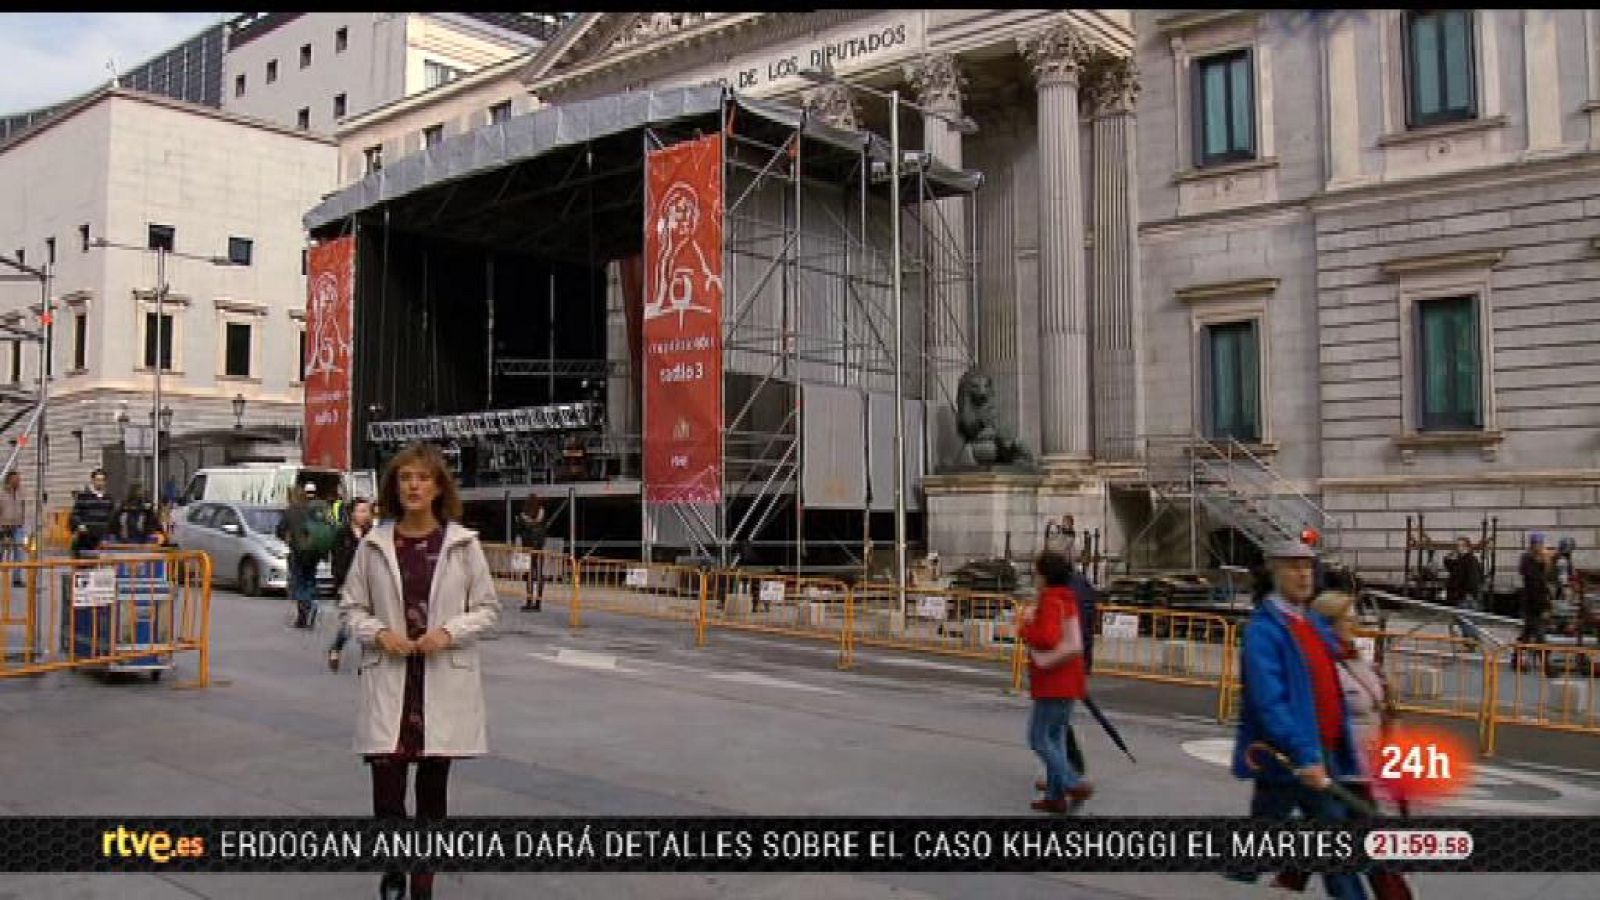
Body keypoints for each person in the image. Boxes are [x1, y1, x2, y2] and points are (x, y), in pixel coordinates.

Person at [340, 442, 499, 900]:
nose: (414, 485)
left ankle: (422, 886)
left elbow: (488, 610)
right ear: (394, 485)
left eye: (423, 478)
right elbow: (351, 607)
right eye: (405, 477)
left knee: (432, 795)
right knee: (387, 792)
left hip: (440, 681)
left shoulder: (463, 546)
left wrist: (449, 632)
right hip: (391, 677)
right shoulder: (373, 545)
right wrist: (377, 633)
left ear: (438, 487)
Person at [1227, 540, 1365, 900]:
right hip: (1295, 754)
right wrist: (1305, 755)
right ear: (1274, 572)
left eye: (1308, 567)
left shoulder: (1310, 622)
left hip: (1320, 750)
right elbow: (1270, 702)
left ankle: (1232, 881)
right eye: (1293, 566)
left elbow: (1330, 669)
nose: (1304, 574)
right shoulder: (1264, 630)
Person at [1018, 551, 1092, 815]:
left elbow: (1047, 638)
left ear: (1044, 575)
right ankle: (1055, 795)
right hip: (1070, 678)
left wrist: (1025, 627)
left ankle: (1071, 781)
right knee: (1057, 737)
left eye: (1036, 572)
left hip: (1053, 680)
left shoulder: (1050, 600)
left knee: (1038, 737)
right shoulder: (1067, 598)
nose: (1034, 577)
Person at [326, 498, 375, 672]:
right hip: (347, 584)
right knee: (347, 625)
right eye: (360, 511)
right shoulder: (342, 534)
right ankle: (336, 648)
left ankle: (365, 662)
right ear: (352, 513)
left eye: (366, 511)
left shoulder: (372, 534)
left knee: (367, 624)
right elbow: (337, 560)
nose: (363, 515)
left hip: (368, 584)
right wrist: (339, 583)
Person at [276, 483, 330, 629]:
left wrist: (288, 539)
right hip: (314, 552)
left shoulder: (290, 511)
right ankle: (310, 605)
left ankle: (305, 611)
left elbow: (280, 530)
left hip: (298, 550)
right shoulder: (312, 509)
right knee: (310, 579)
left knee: (299, 582)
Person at [69, 469, 116, 558]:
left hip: (102, 538)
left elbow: (111, 517)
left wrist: (108, 534)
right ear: (93, 481)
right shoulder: (83, 497)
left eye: (102, 480)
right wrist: (80, 525)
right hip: (85, 538)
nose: (100, 482)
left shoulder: (108, 499)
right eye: (98, 480)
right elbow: (75, 514)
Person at [1519, 533, 1553, 646]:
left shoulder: (1542, 562)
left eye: (1540, 544)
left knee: (1528, 634)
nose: (1539, 547)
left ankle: (1517, 659)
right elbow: (1535, 586)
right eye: (1536, 544)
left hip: (1536, 603)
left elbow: (1545, 585)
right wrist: (1544, 607)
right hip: (1533, 605)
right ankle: (1544, 662)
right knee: (1538, 635)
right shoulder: (1528, 561)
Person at [516, 495, 548, 611]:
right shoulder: (541, 513)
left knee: (529, 575)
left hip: (527, 548)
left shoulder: (523, 516)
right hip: (539, 548)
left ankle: (529, 602)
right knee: (539, 575)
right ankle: (538, 603)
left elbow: (519, 531)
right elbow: (542, 527)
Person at [1443, 537, 1484, 611]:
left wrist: (1469, 593)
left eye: (1461, 545)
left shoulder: (1470, 560)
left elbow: (1474, 578)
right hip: (1461, 596)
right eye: (1458, 545)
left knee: (1467, 618)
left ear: (1467, 547)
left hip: (1466, 597)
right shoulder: (1460, 560)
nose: (1459, 548)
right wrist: (1448, 557)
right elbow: (1450, 567)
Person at [0, 471, 27, 572]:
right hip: (4, 526)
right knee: (1, 551)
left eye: (19, 479)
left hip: (18, 526)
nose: (18, 481)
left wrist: (23, 522)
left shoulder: (22, 492)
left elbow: (23, 507)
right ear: (9, 480)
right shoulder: (2, 492)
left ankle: (17, 578)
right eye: (16, 479)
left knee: (19, 551)